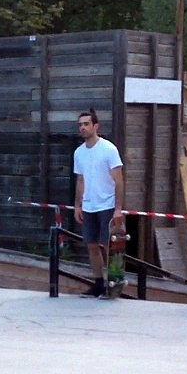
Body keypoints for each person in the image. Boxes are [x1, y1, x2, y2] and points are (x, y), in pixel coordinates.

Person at [72, 108, 125, 297]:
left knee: (108, 245)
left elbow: (119, 180)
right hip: (89, 205)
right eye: (80, 125)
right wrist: (77, 205)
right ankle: (98, 283)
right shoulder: (79, 153)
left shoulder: (108, 149)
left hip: (107, 204)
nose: (83, 127)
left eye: (86, 124)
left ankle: (115, 284)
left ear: (96, 126)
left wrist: (118, 208)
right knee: (91, 245)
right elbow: (80, 180)